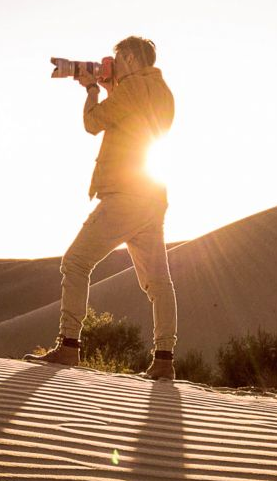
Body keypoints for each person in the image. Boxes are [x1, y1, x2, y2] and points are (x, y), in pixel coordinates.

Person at [26, 35, 178, 379]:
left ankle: (68, 347)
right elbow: (133, 119)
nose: (117, 63)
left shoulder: (132, 89)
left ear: (132, 58)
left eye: (120, 57)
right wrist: (112, 88)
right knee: (158, 282)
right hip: (152, 196)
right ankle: (165, 359)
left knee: (76, 262)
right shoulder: (162, 91)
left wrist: (92, 89)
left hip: (125, 193)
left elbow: (93, 123)